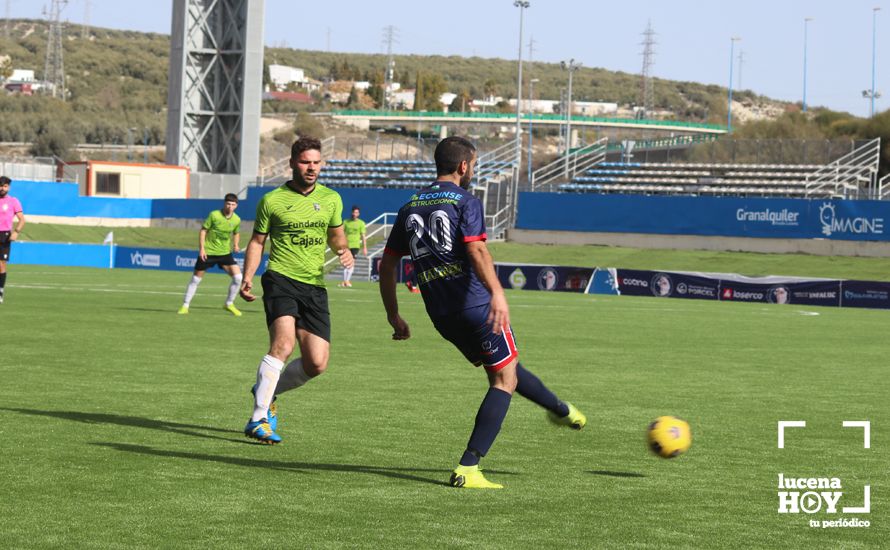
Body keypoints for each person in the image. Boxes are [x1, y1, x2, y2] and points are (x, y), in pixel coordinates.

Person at [379, 136, 586, 489]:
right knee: (503, 380)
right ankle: (469, 466)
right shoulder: (466, 201)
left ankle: (560, 409)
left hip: (441, 315)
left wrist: (393, 315)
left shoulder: (409, 207)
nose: (472, 170)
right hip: (475, 305)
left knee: (507, 368)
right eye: (473, 164)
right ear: (464, 166)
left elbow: (388, 265)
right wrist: (497, 294)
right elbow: (476, 252)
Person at [239, 137, 354, 444]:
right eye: (305, 162)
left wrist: (344, 251)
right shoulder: (272, 200)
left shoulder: (331, 199)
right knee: (283, 344)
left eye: (316, 162)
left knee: (316, 363)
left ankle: (267, 389)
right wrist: (247, 275)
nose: (311, 167)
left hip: (314, 286)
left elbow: (337, 237)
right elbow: (257, 242)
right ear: (292, 163)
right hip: (280, 278)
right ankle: (258, 418)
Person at [178, 193, 243, 316]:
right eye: (228, 204)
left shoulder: (237, 219)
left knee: (238, 278)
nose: (230, 206)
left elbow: (236, 232)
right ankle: (185, 306)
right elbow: (203, 231)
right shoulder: (214, 215)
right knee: (195, 279)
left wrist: (235, 245)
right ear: (224, 203)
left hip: (224, 253)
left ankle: (229, 304)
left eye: (233, 204)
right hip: (208, 253)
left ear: (236, 206)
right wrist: (202, 249)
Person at [0, 176, 25, 304]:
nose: (2, 188)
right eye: (0, 186)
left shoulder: (13, 201)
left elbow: (22, 219)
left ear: (8, 187)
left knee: (1, 264)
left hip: (4, 235)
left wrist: (16, 232)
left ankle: (0, 290)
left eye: (5, 186)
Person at [339, 205, 367, 287]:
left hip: (355, 246)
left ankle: (347, 281)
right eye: (354, 212)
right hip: (346, 246)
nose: (355, 214)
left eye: (357, 212)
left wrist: (365, 247)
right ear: (352, 212)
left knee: (351, 263)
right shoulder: (346, 222)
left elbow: (363, 236)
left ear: (359, 213)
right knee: (346, 264)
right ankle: (345, 281)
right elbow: (341, 233)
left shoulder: (361, 223)